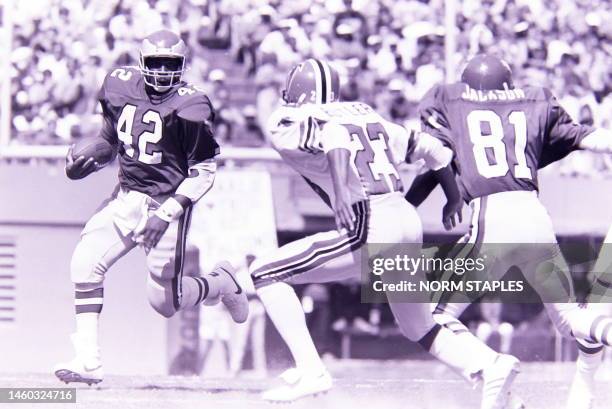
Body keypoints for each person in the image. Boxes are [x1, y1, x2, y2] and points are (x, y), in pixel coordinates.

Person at [250, 58, 521, 408]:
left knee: (265, 272)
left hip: (371, 219)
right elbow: (434, 150)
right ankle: (490, 365)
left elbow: (334, 136)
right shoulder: (367, 115)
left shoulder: (289, 120)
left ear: (297, 92)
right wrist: (454, 199)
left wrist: (341, 193)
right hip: (406, 218)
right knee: (419, 326)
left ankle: (310, 369)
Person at [408, 53, 612, 409]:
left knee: (433, 315)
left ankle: (491, 366)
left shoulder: (451, 100)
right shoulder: (533, 101)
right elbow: (588, 138)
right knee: (571, 320)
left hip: (492, 216)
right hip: (534, 215)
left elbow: (436, 157)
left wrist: (410, 205)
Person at [54, 29, 248, 386]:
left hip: (167, 200)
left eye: (170, 64)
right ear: (142, 62)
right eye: (156, 63)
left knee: (165, 302)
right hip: (127, 195)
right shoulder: (118, 85)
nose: (162, 72)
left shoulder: (190, 106)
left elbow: (204, 172)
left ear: (183, 66)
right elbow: (111, 138)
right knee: (84, 263)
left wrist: (165, 213)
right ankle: (88, 360)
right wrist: (94, 155)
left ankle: (222, 282)